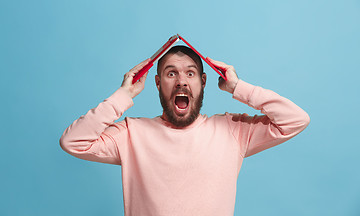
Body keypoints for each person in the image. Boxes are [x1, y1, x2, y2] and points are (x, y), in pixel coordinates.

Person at [60, 45, 310, 216]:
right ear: (157, 83)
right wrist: (122, 96)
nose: (181, 81)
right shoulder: (130, 134)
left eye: (190, 73)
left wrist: (238, 87)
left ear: (202, 82)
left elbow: (295, 120)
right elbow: (73, 142)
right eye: (171, 73)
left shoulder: (232, 130)